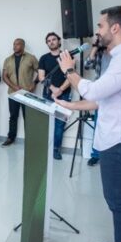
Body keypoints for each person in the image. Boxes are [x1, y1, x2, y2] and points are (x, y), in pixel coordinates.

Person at [56, 6, 121, 242]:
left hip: (120, 138)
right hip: (116, 135)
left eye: (100, 26)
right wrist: (73, 106)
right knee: (117, 198)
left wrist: (69, 71)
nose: (97, 31)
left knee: (118, 199)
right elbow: (100, 98)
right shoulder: (120, 57)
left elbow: (94, 88)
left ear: (115, 28)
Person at [38, 32, 71, 160]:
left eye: (53, 39)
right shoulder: (43, 58)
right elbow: (41, 77)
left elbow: (71, 76)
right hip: (47, 95)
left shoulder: (67, 57)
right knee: (47, 124)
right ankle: (46, 149)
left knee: (59, 124)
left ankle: (56, 149)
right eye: (49, 41)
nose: (51, 42)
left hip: (64, 95)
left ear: (59, 41)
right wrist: (53, 89)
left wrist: (60, 90)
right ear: (47, 44)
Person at [1, 38, 39, 146]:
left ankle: (31, 139)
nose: (15, 46)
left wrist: (34, 83)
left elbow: (40, 72)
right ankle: (10, 138)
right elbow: (4, 76)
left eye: (17, 44)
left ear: (23, 46)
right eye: (14, 44)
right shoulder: (8, 60)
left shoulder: (31, 58)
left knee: (28, 117)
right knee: (13, 116)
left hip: (27, 93)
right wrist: (14, 86)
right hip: (13, 93)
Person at [84, 37, 112, 166]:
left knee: (113, 126)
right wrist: (94, 47)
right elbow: (87, 65)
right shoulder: (99, 53)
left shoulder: (118, 54)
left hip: (115, 94)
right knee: (98, 124)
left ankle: (110, 155)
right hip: (101, 94)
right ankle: (95, 154)